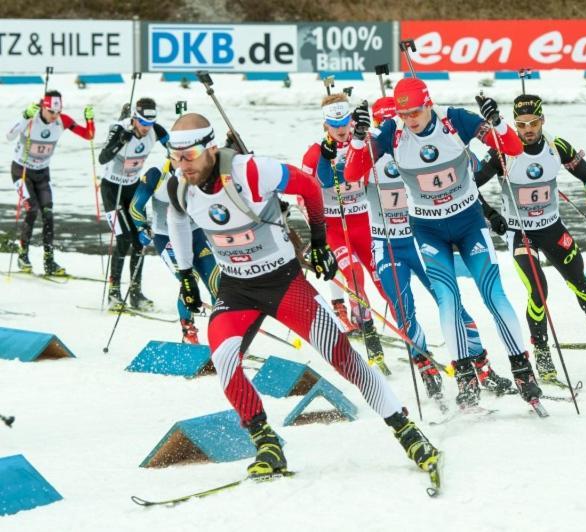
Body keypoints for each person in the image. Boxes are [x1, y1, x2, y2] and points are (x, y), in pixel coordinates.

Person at [165, 113, 439, 479]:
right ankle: (266, 442)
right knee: (225, 355)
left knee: (343, 358)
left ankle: (407, 431)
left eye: (190, 155)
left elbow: (308, 185)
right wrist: (185, 274)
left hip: (284, 284)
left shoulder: (251, 171)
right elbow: (177, 221)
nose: (182, 165)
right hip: (237, 289)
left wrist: (320, 239)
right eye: (175, 156)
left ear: (211, 147)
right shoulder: (180, 187)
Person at [345, 78, 542, 411]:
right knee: (448, 300)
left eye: (415, 112)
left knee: (493, 293)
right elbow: (353, 172)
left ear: (428, 103)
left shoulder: (455, 120)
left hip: (468, 223)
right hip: (427, 230)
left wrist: (497, 123)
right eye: (404, 113)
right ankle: (465, 376)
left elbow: (512, 148)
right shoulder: (391, 131)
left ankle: (522, 369)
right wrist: (359, 140)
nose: (410, 119)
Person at [475, 94, 586, 383]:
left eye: (533, 122)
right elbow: (468, 187)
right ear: (514, 124)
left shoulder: (556, 146)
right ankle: (543, 354)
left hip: (552, 229)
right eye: (521, 124)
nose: (528, 129)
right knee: (538, 289)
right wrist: (490, 214)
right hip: (520, 233)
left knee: (579, 279)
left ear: (542, 120)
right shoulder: (502, 151)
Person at [358, 96, 506, 402]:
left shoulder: (418, 148)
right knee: (403, 309)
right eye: (384, 123)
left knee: (450, 304)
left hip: (419, 238)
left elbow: (471, 171)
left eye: (394, 122)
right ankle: (425, 366)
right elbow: (335, 184)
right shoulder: (370, 157)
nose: (396, 127)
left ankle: (482, 366)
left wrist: (464, 150)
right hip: (387, 246)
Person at [301, 93, 389, 374]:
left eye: (344, 121)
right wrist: (316, 229)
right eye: (333, 123)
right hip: (334, 227)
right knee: (353, 275)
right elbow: (303, 195)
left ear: (351, 120)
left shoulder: (363, 144)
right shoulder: (314, 153)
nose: (340, 128)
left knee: (384, 281)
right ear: (325, 124)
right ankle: (372, 341)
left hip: (363, 222)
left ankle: (411, 338)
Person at [6, 90, 94, 275]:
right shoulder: (31, 118)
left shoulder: (64, 120)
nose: (55, 116)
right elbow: (9, 136)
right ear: (43, 107)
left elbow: (88, 135)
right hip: (21, 172)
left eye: (58, 112)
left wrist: (90, 120)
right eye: (51, 112)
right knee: (32, 209)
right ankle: (23, 255)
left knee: (48, 214)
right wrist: (24, 117)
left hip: (42, 174)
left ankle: (49, 260)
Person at [130, 159, 219, 342]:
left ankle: (223, 333)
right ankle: (188, 330)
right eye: (178, 155)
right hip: (166, 237)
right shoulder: (156, 175)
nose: (184, 161)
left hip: (196, 235)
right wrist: (142, 227)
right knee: (189, 278)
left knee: (217, 283)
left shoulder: (198, 171)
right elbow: (135, 207)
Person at [98, 97, 168, 310]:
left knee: (141, 240)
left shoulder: (156, 130)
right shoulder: (119, 130)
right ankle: (114, 293)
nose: (147, 129)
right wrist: (121, 141)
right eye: (143, 124)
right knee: (123, 239)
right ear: (134, 119)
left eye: (150, 124)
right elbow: (103, 157)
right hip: (113, 190)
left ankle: (136, 293)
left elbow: (174, 147)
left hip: (133, 189)